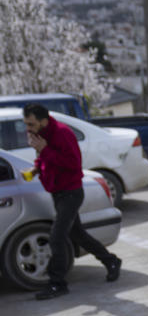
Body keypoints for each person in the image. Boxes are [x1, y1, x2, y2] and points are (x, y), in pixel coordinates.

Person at [22, 104, 121, 300]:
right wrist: (36, 168)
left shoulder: (62, 133)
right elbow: (43, 158)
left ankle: (57, 284)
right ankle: (111, 261)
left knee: (57, 237)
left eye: (31, 124)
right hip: (57, 192)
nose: (28, 128)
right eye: (26, 124)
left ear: (44, 120)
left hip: (71, 193)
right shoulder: (42, 135)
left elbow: (73, 164)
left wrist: (45, 149)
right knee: (78, 234)